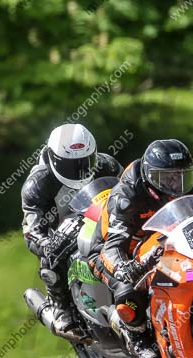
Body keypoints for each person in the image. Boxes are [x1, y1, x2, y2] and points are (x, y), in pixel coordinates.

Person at [90, 139, 193, 358]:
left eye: (181, 176)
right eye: (167, 178)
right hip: (114, 252)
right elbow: (112, 246)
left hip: (162, 241)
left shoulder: (189, 186)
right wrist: (122, 269)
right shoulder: (126, 196)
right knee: (127, 291)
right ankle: (136, 334)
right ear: (149, 176)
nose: (175, 184)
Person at [21, 123, 123, 333]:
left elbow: (128, 192)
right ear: (53, 158)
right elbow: (31, 230)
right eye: (71, 165)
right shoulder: (38, 183)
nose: (80, 170)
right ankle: (60, 308)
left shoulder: (107, 165)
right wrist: (47, 243)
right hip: (59, 229)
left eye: (85, 162)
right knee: (49, 259)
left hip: (102, 219)